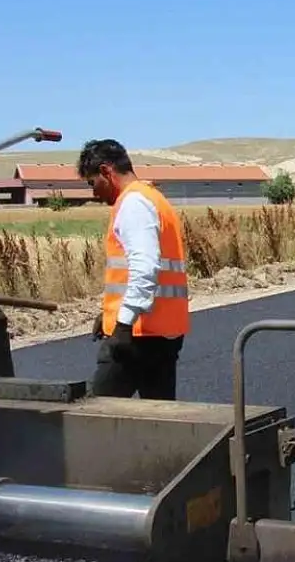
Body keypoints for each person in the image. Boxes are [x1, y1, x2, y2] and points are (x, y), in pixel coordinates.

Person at [79, 138, 190, 400]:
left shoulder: (133, 204)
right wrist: (109, 314)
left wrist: (123, 324)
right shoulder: (153, 198)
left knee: (95, 416)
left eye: (92, 183)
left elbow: (144, 266)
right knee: (158, 418)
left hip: (137, 336)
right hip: (162, 332)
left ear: (107, 171)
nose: (93, 193)